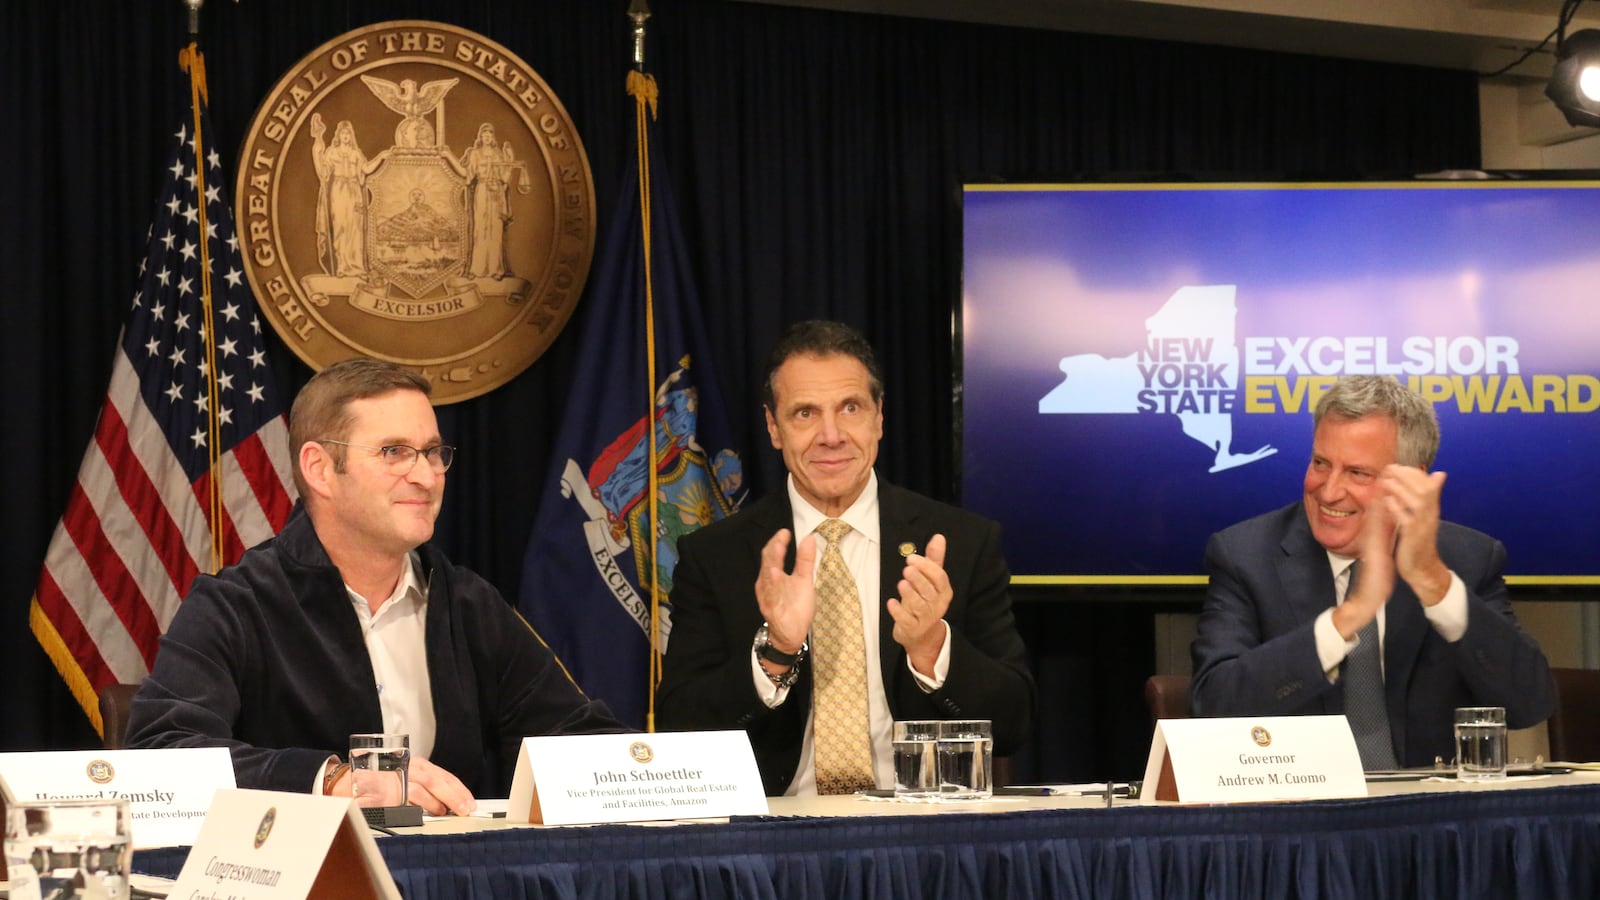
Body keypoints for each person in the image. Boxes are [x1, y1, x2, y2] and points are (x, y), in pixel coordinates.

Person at [126, 359, 623, 813]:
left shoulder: (468, 604)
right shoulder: (236, 604)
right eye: (394, 452)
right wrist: (338, 781)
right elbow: (163, 751)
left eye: (432, 452)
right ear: (320, 469)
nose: (426, 477)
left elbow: (577, 741)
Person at [657, 320, 1034, 796]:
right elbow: (680, 728)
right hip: (774, 834)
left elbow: (1015, 724)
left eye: (850, 408)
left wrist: (932, 647)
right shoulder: (716, 555)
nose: (830, 435)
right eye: (804, 414)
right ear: (773, 427)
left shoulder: (960, 542)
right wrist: (776, 653)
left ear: (879, 417)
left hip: (921, 830)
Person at [1190, 375, 1552, 768]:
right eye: (1321, 464)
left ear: (1412, 480)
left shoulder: (1468, 558)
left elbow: (1529, 703)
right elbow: (1212, 709)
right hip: (1302, 818)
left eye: (1358, 473)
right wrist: (1348, 617)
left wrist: (1434, 582)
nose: (1328, 491)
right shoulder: (1246, 555)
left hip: (1429, 818)